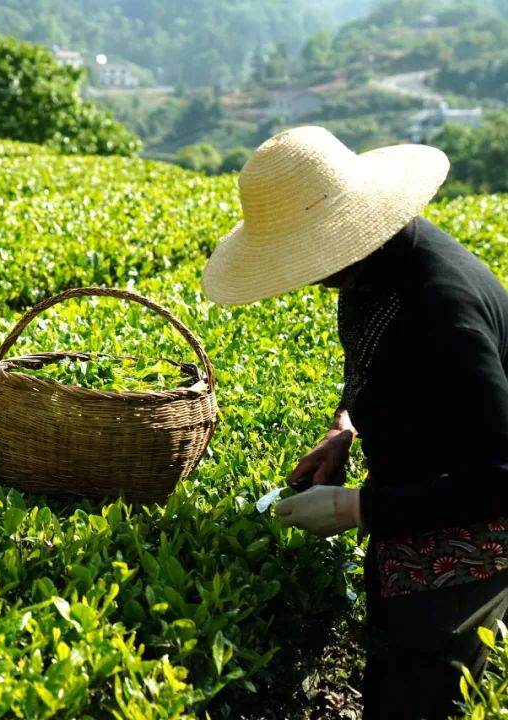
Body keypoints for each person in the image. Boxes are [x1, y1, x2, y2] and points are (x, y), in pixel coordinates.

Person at [201, 126, 508, 718]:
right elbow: (389, 367)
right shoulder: (375, 267)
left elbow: (498, 476)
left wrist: (354, 508)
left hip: (469, 540)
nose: (308, 271)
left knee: (419, 694)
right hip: (413, 506)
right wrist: (347, 428)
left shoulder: (444, 308)